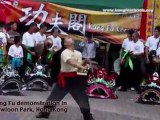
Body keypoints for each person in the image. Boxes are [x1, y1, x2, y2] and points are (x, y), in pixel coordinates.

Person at [36, 37, 94, 120]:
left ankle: (87, 115)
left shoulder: (78, 53)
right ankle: (44, 113)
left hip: (76, 79)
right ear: (65, 44)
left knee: (82, 98)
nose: (70, 38)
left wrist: (86, 61)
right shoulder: (64, 52)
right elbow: (71, 62)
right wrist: (82, 66)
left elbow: (79, 63)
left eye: (71, 38)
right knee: (54, 97)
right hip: (65, 79)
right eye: (68, 38)